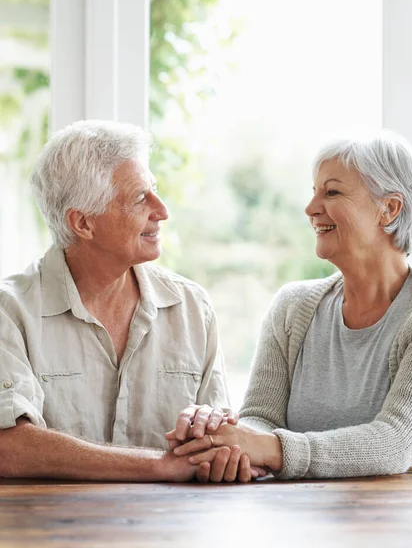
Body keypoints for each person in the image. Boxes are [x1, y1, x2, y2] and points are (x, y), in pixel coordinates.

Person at [0, 120, 258, 483]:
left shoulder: (191, 307)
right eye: (140, 197)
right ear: (83, 223)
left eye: (154, 190)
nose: (162, 209)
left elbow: (219, 439)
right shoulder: (9, 312)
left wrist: (222, 448)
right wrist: (159, 465)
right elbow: (8, 447)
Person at [167, 129, 412, 480]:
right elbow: (261, 417)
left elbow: (396, 442)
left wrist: (271, 449)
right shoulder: (293, 306)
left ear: (389, 209)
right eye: (313, 192)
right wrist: (228, 443)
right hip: (296, 520)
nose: (310, 209)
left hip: (399, 525)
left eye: (331, 191)